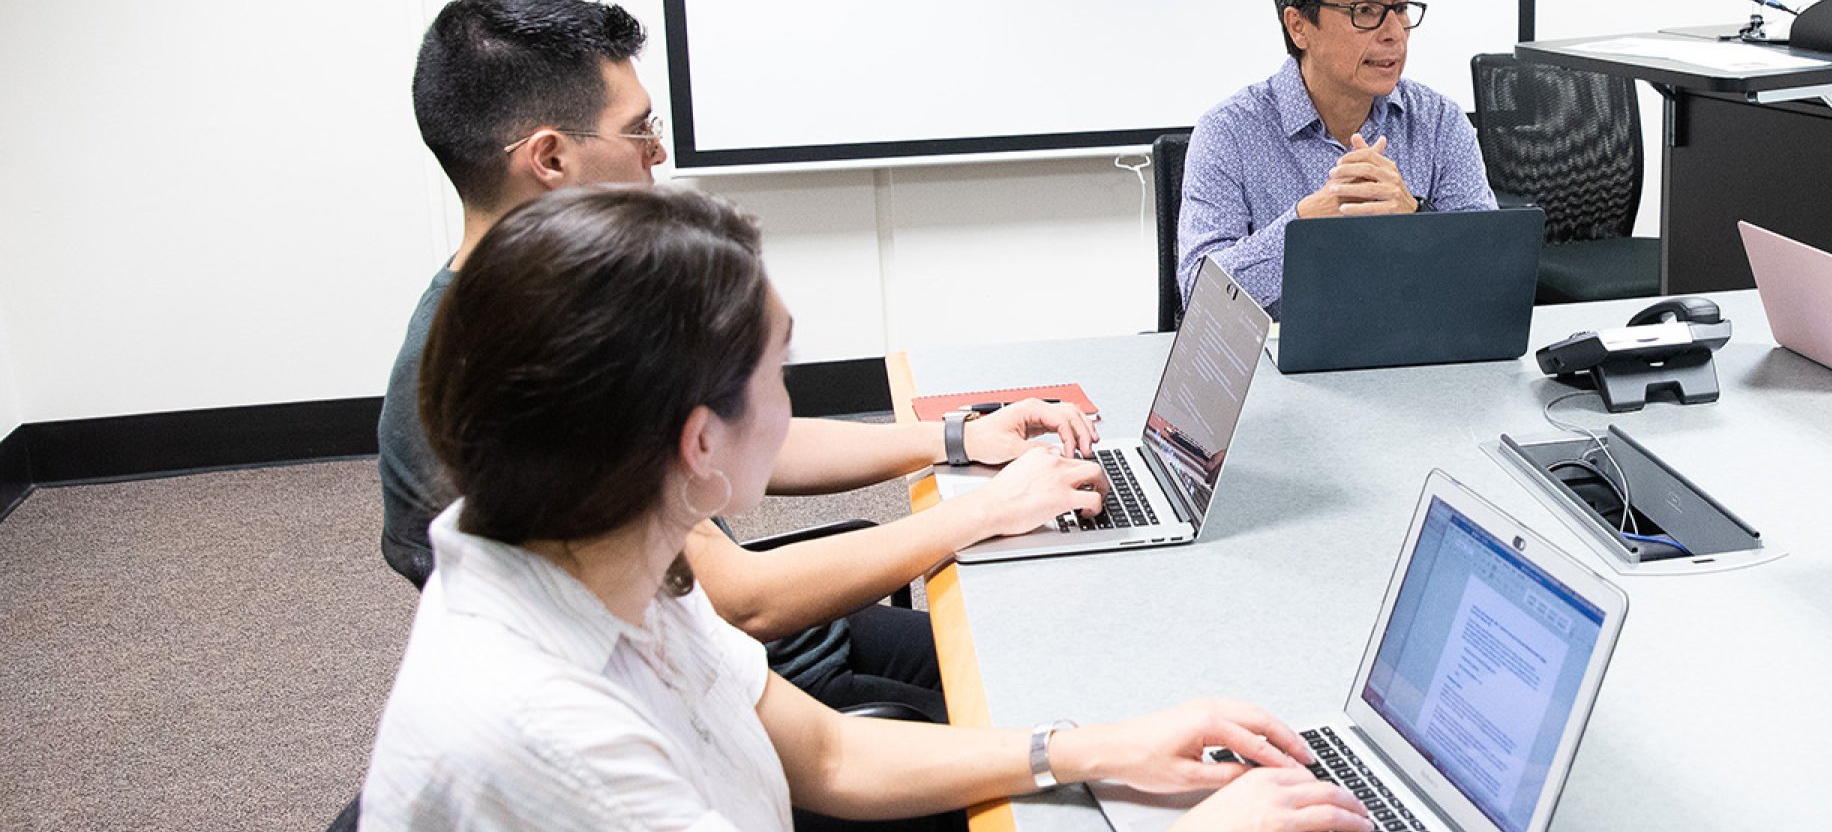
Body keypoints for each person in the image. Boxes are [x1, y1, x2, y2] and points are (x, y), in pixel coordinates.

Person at [361, 184, 1370, 831]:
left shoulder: (590, 553)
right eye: (776, 373)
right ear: (697, 445)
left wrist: (1090, 748)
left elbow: (830, 751)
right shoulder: (569, 752)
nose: (794, 404)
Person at [386, 0, 1112, 720]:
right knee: (1063, 716)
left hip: (790, 646)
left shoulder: (565, 295)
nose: (659, 151)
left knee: (1073, 665)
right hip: (743, 699)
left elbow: (739, 434)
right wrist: (987, 509)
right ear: (549, 157)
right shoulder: (497, 373)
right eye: (639, 129)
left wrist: (956, 437)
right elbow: (740, 601)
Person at [1177, 0, 1498, 309]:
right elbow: (1199, 296)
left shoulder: (1440, 122)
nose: (1393, 32)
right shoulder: (1228, 133)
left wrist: (1415, 219)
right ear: (1299, 27)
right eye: (1365, 10)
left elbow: (1490, 275)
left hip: (1413, 358)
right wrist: (1305, 226)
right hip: (1279, 365)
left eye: (1399, 8)